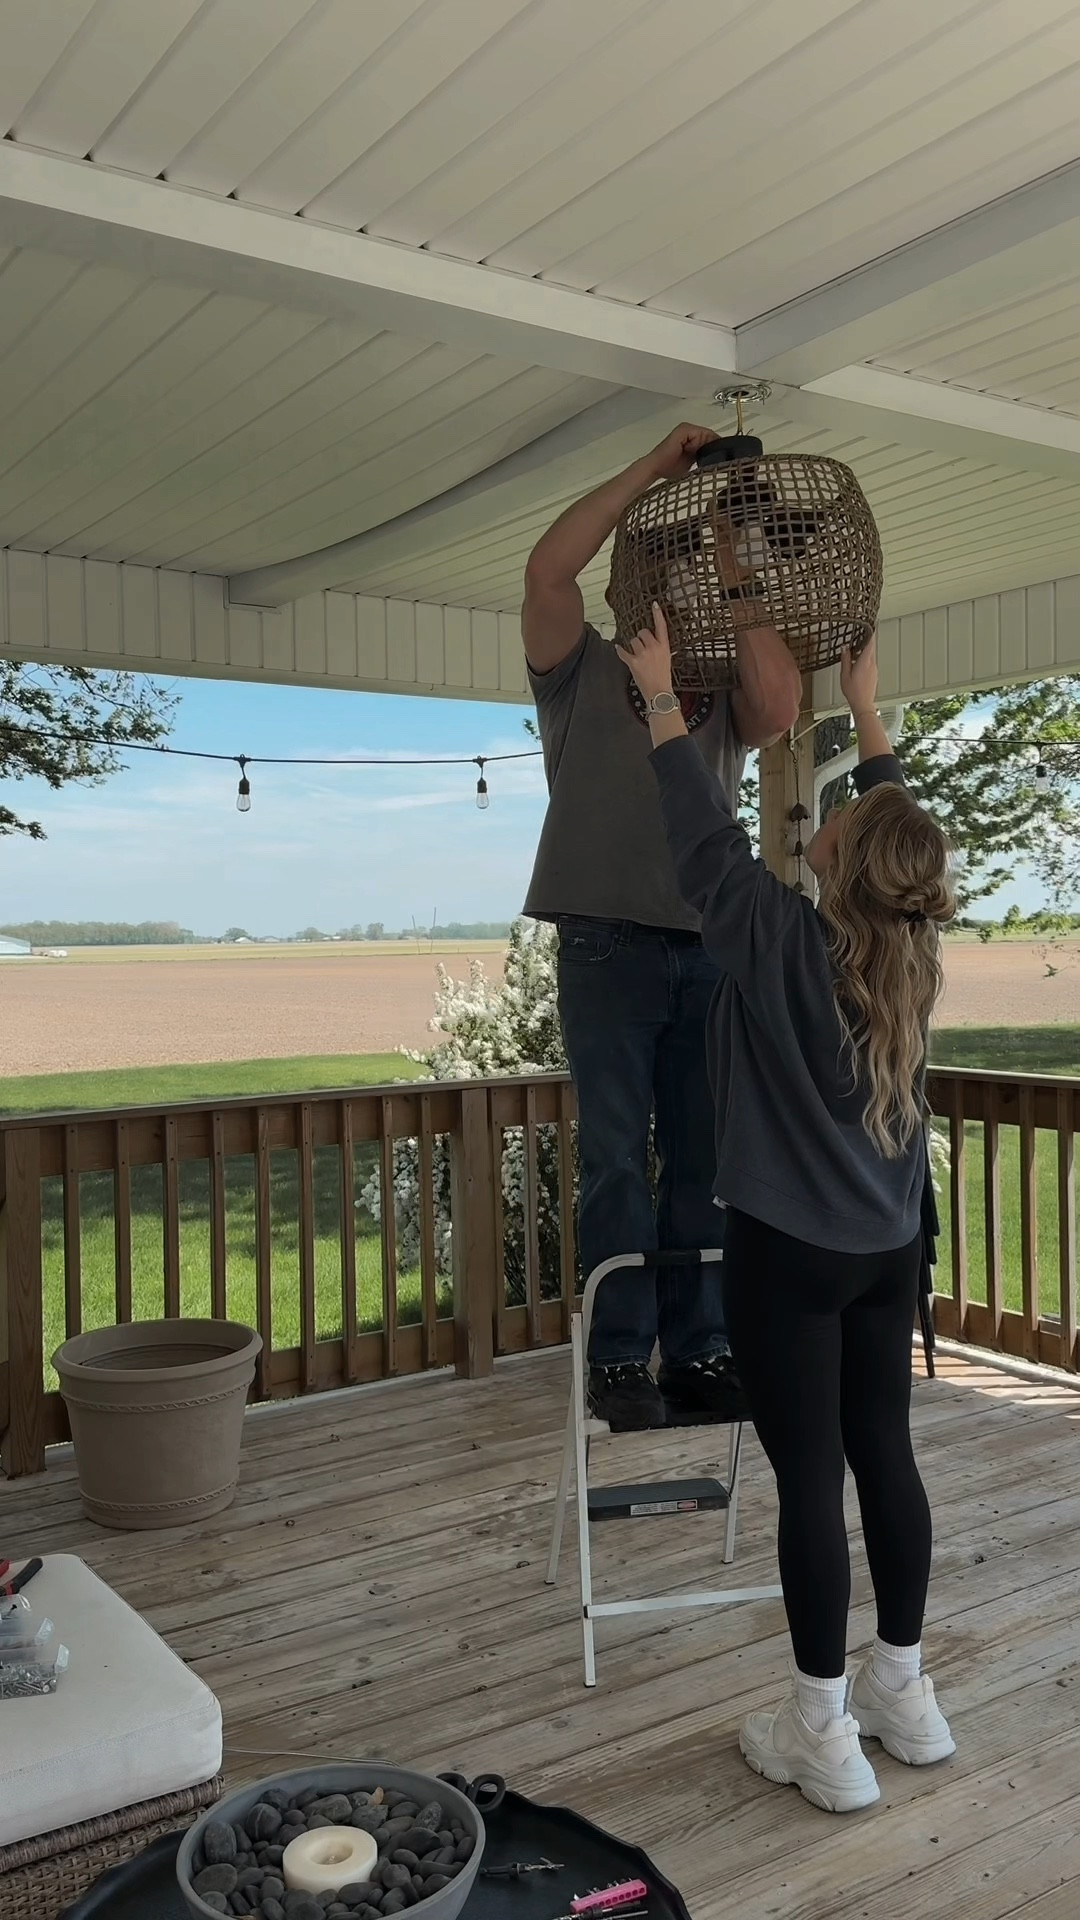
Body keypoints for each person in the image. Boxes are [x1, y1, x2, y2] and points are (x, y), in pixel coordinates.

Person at [618, 606, 955, 1814]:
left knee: (811, 1479)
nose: (836, 818)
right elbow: (904, 840)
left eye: (847, 820)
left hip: (791, 1258)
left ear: (846, 863)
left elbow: (699, 835)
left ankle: (822, 1727)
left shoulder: (777, 942)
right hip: (886, 1250)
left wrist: (659, 695)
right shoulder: (910, 955)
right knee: (886, 1460)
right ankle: (903, 1696)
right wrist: (867, 715)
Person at [521, 424, 802, 1431]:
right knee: (611, 1161)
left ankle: (702, 1350)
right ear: (629, 589)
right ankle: (619, 1364)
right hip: (605, 946)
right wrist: (651, 469)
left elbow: (781, 699)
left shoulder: (718, 696)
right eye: (665, 571)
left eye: (688, 579)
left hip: (706, 953)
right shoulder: (577, 670)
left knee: (703, 1162)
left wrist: (734, 552)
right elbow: (547, 568)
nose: (674, 591)